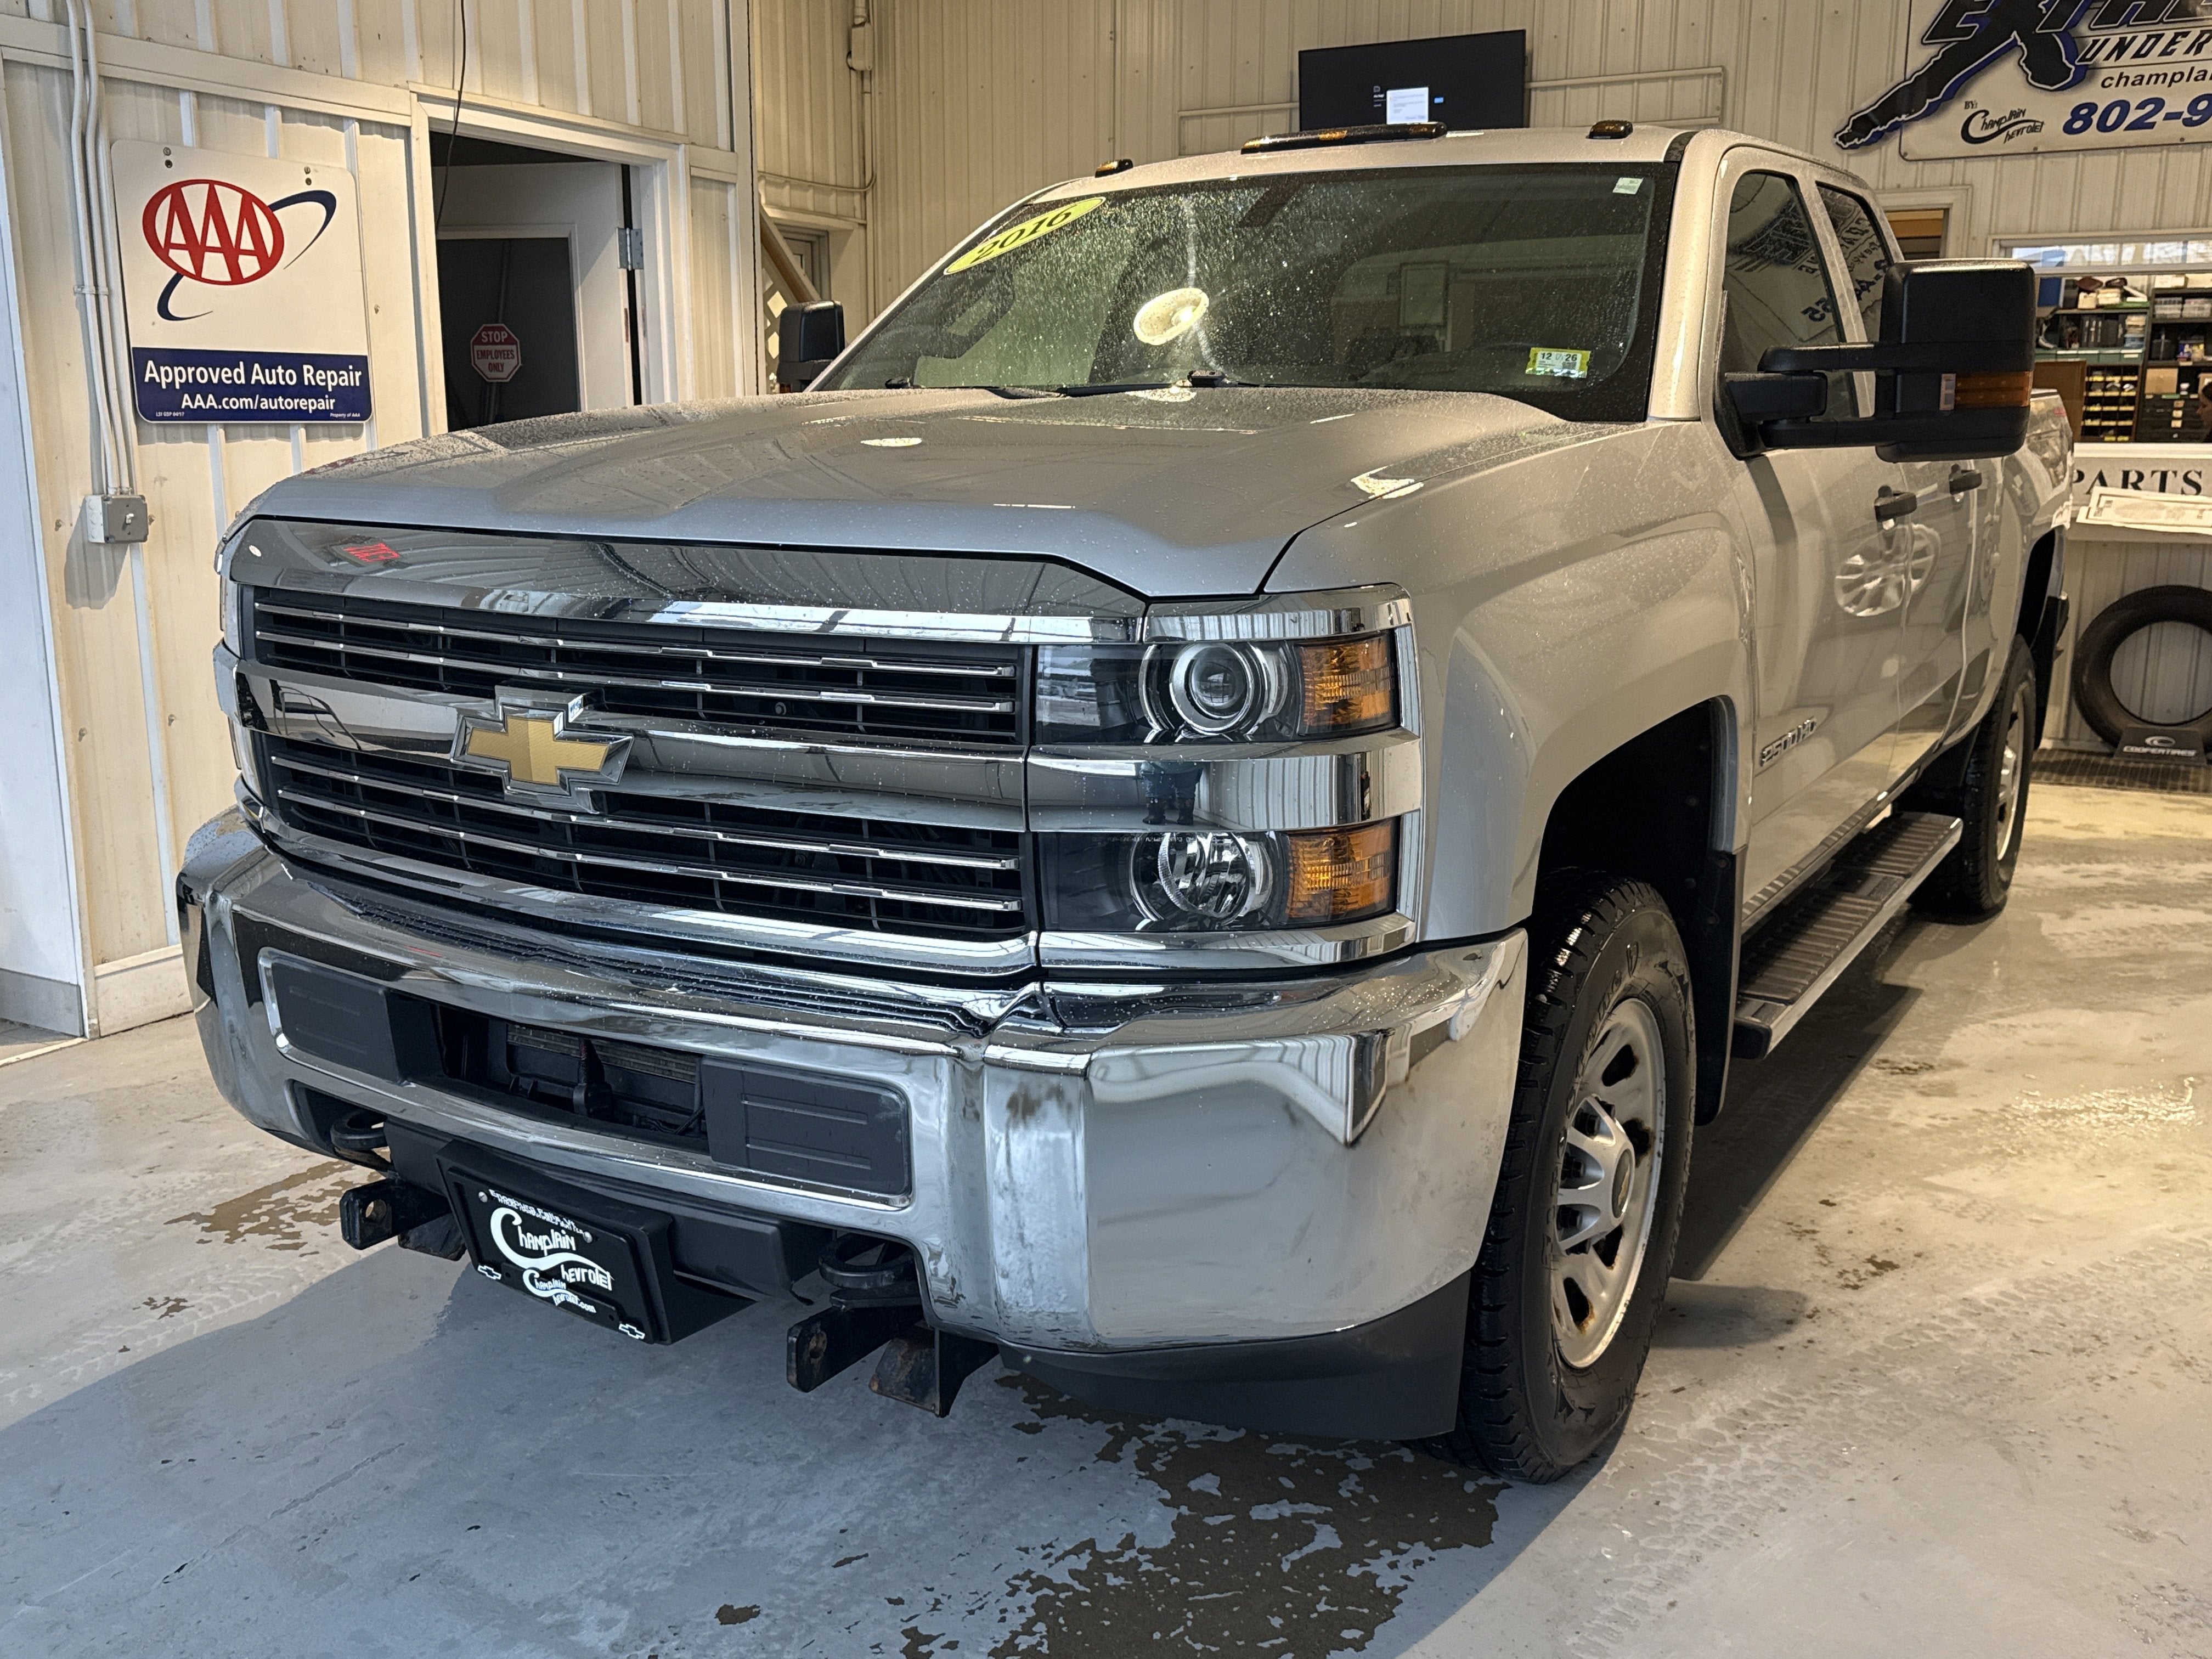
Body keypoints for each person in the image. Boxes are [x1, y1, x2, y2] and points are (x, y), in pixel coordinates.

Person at [1837, 0, 2090, 150]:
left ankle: (1868, 123)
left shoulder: (2027, 27)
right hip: (2014, 22)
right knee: (1940, 76)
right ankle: (1868, 123)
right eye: (2030, 65)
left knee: (1941, 75)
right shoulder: (2030, 25)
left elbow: (1939, 77)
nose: (2026, 67)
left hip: (2013, 22)